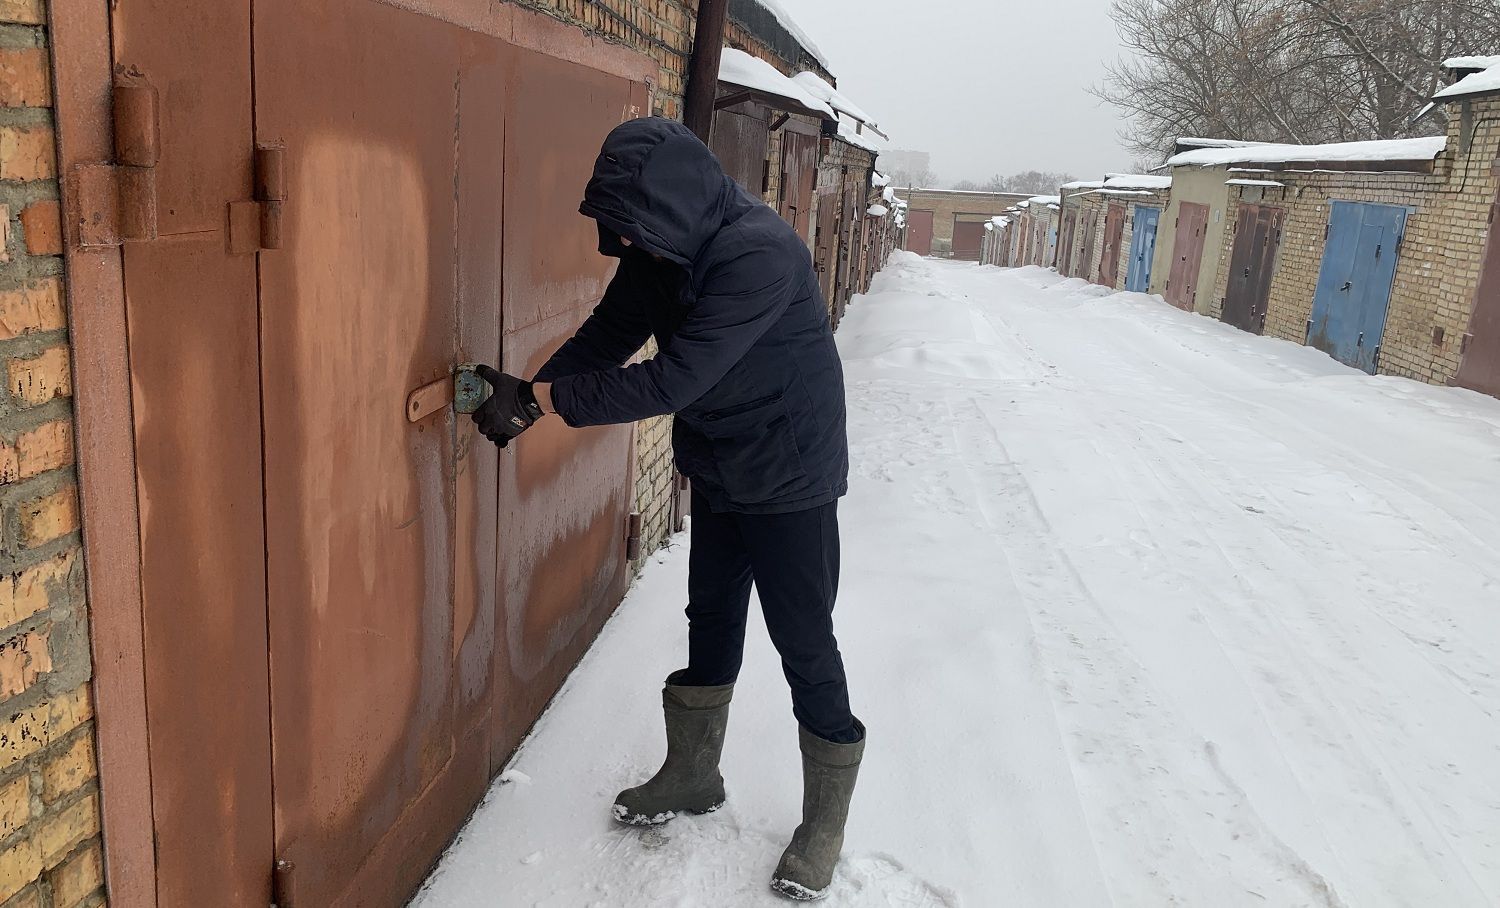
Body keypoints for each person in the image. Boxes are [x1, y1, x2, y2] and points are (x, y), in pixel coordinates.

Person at [471, 116, 862, 901]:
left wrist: (550, 401)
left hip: (790, 475)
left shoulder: (759, 253)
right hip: (720, 464)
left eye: (631, 228)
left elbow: (672, 380)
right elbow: (610, 333)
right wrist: (528, 393)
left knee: (803, 640)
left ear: (670, 203)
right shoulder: (663, 246)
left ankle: (823, 823)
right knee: (710, 617)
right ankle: (692, 774)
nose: (627, 245)